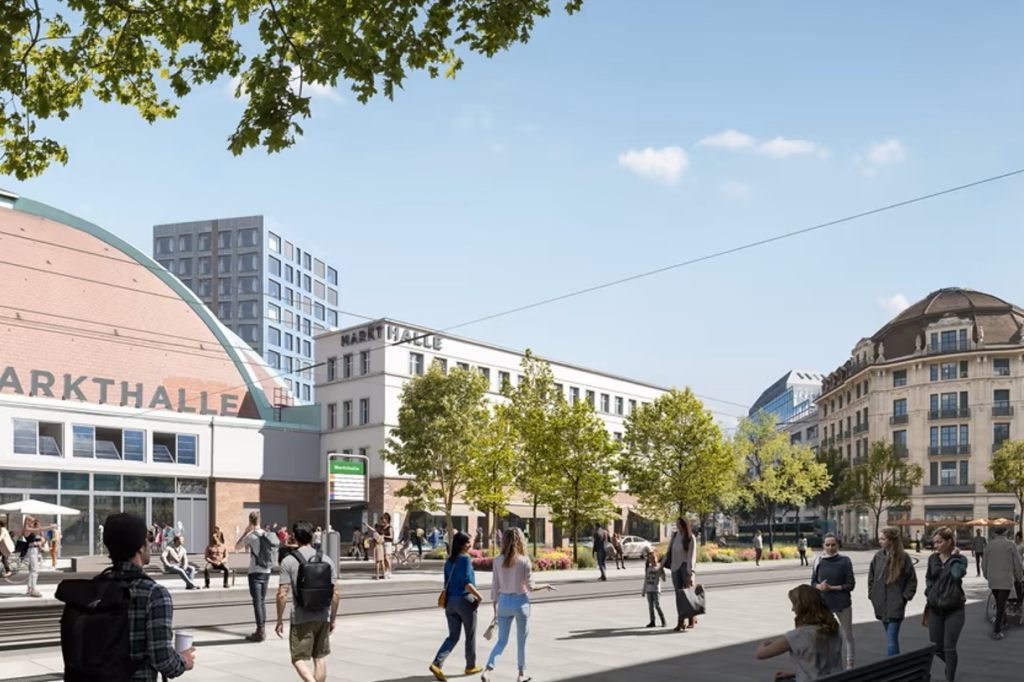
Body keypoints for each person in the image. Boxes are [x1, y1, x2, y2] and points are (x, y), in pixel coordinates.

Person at [89, 513, 195, 680]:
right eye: (148, 539)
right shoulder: (154, 594)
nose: (150, 544)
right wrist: (184, 660)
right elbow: (163, 660)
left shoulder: (94, 587)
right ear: (140, 546)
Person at [482, 528, 552, 682]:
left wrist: (495, 611)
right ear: (521, 540)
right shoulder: (524, 561)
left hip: (503, 602)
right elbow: (531, 587)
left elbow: (495, 587)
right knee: (521, 641)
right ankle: (521, 674)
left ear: (504, 541)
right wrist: (546, 585)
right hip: (521, 602)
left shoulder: (497, 560)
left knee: (501, 641)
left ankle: (487, 670)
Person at [276, 521, 340, 682]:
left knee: (297, 658)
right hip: (322, 615)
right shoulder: (326, 559)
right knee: (319, 657)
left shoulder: (288, 561)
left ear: (294, 538)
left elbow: (282, 594)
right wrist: (332, 619)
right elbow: (336, 593)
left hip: (301, 616)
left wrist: (279, 619)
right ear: (312, 537)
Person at [754, 584, 843, 681]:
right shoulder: (833, 629)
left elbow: (760, 654)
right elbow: (822, 668)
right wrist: (794, 674)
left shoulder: (798, 636)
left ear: (801, 608)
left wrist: (764, 644)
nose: (792, 609)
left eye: (794, 604)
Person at [429, 531, 483, 681]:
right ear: (461, 545)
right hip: (464, 601)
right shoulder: (465, 559)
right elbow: (466, 583)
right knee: (470, 635)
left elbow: (446, 583)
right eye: (468, 542)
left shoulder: (449, 561)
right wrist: (479, 596)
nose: (470, 544)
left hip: (450, 602)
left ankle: (437, 663)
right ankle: (470, 665)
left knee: (453, 636)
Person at [925, 527, 968, 681]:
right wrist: (929, 592)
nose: (935, 545)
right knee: (936, 648)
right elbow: (929, 577)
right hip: (935, 609)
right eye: (934, 542)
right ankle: (951, 665)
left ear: (949, 541)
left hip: (954, 609)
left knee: (949, 648)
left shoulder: (961, 560)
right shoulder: (933, 559)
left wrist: (954, 558)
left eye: (939, 542)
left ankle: (949, 678)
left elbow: (957, 574)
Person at [868, 526, 918, 656]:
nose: (880, 541)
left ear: (891, 540)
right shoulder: (878, 556)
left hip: (896, 604)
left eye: (883, 539)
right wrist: (872, 594)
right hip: (880, 603)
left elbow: (912, 580)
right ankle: (897, 666)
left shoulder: (903, 557)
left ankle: (893, 668)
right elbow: (871, 577)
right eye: (880, 539)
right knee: (891, 639)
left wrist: (904, 598)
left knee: (891, 640)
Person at [811, 533, 856, 669]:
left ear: (838, 545)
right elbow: (813, 582)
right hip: (823, 604)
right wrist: (819, 586)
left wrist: (832, 587)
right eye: (827, 545)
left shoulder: (845, 561)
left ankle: (850, 664)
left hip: (842, 604)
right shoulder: (818, 561)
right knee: (823, 635)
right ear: (823, 546)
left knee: (847, 634)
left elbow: (850, 585)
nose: (830, 547)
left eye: (833, 545)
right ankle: (825, 663)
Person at [236, 510, 280, 642]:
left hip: (255, 572)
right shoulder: (267, 534)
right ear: (260, 520)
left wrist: (245, 531)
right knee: (262, 601)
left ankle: (260, 631)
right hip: (266, 571)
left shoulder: (251, 536)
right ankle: (262, 629)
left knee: (257, 602)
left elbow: (237, 547)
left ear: (250, 521)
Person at [983, 525, 1024, 639]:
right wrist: (1018, 576)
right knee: (1001, 605)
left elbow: (984, 563)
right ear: (1006, 533)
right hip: (1006, 578)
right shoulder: (1010, 545)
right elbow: (1018, 563)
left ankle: (1005, 622)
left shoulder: (989, 545)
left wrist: (987, 575)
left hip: (993, 579)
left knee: (999, 601)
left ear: (995, 534)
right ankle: (996, 631)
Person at [663, 517, 698, 632]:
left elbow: (691, 557)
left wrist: (690, 573)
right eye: (677, 524)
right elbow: (669, 552)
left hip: (685, 567)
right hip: (675, 568)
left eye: (680, 524)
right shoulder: (674, 536)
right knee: (679, 595)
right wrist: (661, 566)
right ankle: (681, 621)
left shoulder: (690, 538)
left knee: (687, 594)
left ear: (685, 525)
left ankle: (690, 618)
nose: (678, 527)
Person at [641, 549, 667, 628]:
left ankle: (663, 619)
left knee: (657, 605)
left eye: (653, 558)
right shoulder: (648, 569)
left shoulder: (658, 568)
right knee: (650, 606)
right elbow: (646, 580)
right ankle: (652, 621)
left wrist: (662, 572)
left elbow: (664, 579)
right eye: (649, 558)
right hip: (649, 590)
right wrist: (643, 590)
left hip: (656, 590)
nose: (651, 560)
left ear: (656, 558)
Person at [380, 513, 394, 578]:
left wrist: (384, 536)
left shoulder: (389, 527)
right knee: (384, 559)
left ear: (387, 519)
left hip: (388, 543)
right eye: (382, 519)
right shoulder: (383, 527)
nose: (382, 520)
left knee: (387, 558)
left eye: (384, 519)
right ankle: (385, 571)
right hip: (383, 543)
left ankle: (390, 571)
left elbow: (391, 536)